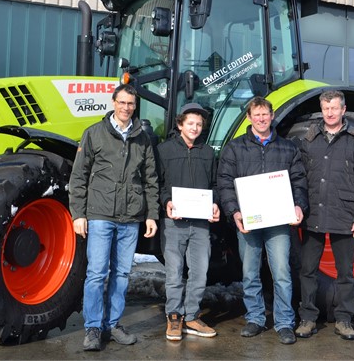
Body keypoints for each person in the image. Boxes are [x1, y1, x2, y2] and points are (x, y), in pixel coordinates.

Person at [69, 84, 160, 351]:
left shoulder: (142, 138)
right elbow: (79, 176)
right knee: (97, 273)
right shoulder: (94, 134)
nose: (126, 108)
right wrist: (79, 214)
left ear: (135, 106)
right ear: (113, 102)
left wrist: (151, 215)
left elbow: (151, 180)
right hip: (100, 214)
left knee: (121, 274)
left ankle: (113, 324)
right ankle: (93, 328)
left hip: (130, 217)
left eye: (130, 104)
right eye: (122, 102)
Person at [217, 96, 307, 345]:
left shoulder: (287, 148)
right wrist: (234, 212)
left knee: (282, 273)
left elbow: (299, 181)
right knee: (250, 273)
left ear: (272, 115)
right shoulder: (235, 148)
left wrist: (299, 206)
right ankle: (255, 318)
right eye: (256, 115)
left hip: (278, 222)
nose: (261, 119)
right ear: (249, 117)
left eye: (265, 114)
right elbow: (225, 182)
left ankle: (284, 322)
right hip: (249, 221)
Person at [295, 90, 354, 341]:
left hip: (344, 214)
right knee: (307, 270)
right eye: (326, 108)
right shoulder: (310, 138)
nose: (330, 113)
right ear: (322, 110)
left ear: (343, 110)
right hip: (313, 213)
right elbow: (300, 176)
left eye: (334, 108)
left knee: (345, 272)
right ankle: (308, 318)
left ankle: (344, 319)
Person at [156, 103, 221, 341]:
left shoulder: (208, 152)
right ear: (180, 124)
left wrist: (215, 204)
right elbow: (157, 184)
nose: (195, 128)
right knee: (174, 273)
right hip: (174, 223)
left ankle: (192, 316)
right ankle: (174, 316)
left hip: (201, 224)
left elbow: (215, 185)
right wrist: (166, 202)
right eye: (190, 123)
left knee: (200, 272)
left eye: (199, 124)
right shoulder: (164, 150)